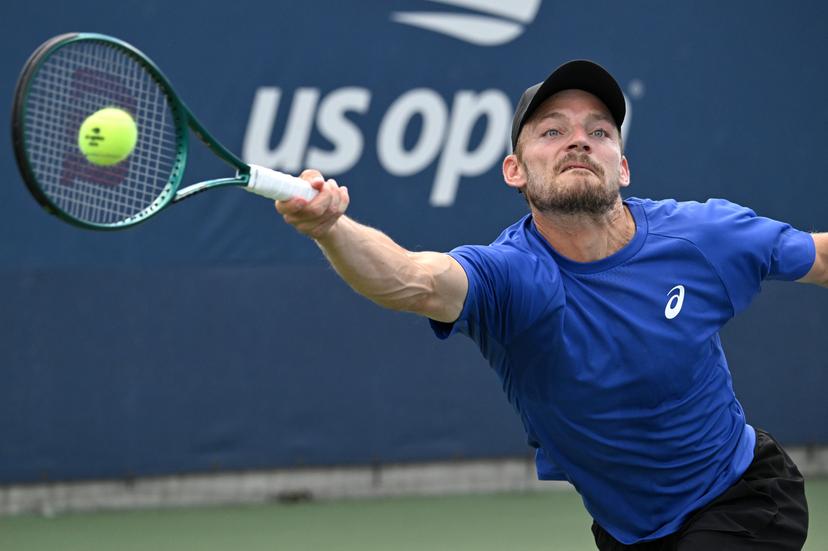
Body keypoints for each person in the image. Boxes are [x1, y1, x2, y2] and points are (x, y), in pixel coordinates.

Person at [275, 60, 827, 550]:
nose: (579, 141)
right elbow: (412, 280)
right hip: (627, 532)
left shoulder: (703, 237)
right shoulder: (510, 277)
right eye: (553, 131)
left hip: (744, 501)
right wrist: (332, 228)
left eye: (600, 131)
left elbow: (819, 258)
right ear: (515, 170)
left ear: (623, 166)